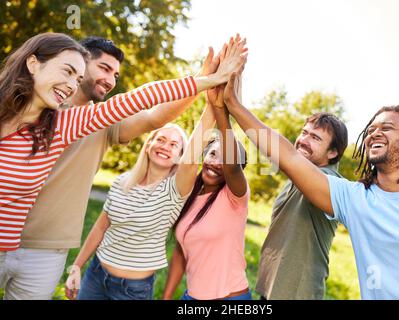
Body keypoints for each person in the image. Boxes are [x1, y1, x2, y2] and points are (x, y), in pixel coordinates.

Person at [0, 32, 247, 299]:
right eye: (70, 72)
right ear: (33, 63)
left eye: (77, 77)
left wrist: (206, 81)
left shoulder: (66, 124)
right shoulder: (119, 181)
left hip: (48, 254)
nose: (72, 83)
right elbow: (102, 224)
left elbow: (140, 102)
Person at [223, 72, 399, 299]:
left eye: (386, 128)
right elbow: (289, 157)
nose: (374, 134)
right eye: (371, 130)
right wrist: (233, 105)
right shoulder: (355, 199)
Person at [163, 69, 251, 301]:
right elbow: (181, 252)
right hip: (192, 297)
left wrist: (222, 108)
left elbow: (232, 164)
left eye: (226, 159)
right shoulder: (189, 193)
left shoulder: (235, 198)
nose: (217, 163)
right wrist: (166, 296)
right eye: (213, 153)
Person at [256, 112, 348, 300]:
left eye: (315, 137)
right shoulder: (295, 176)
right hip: (272, 288)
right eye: (304, 132)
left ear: (333, 153)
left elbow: (277, 150)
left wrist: (233, 104)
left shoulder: (330, 183)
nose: (304, 140)